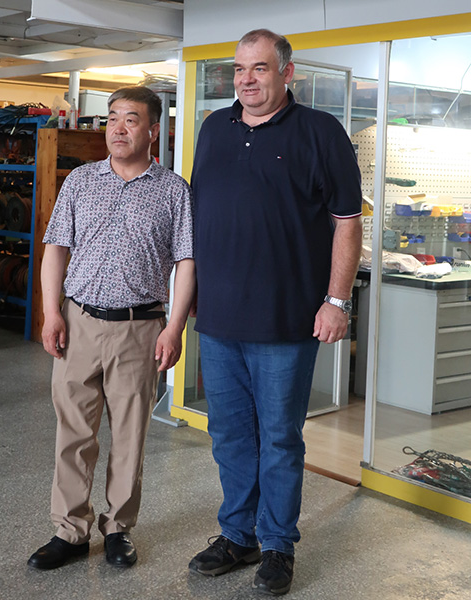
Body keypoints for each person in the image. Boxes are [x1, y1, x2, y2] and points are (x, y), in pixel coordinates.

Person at [188, 29, 362, 595]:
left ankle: (278, 545)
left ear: (287, 73)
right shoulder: (214, 128)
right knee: (229, 435)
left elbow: (347, 222)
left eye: (259, 68)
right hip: (218, 321)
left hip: (286, 321)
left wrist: (336, 300)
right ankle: (238, 535)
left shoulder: (321, 132)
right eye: (239, 69)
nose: (246, 79)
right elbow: (202, 217)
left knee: (280, 438)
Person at [28, 86, 195, 571]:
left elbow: (187, 263)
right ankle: (70, 531)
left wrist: (175, 327)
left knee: (129, 434)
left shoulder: (174, 191)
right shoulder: (81, 181)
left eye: (131, 120)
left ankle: (119, 528)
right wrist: (52, 313)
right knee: (73, 433)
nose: (118, 129)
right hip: (79, 322)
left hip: (140, 329)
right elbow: (56, 249)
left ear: (153, 130)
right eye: (112, 118)